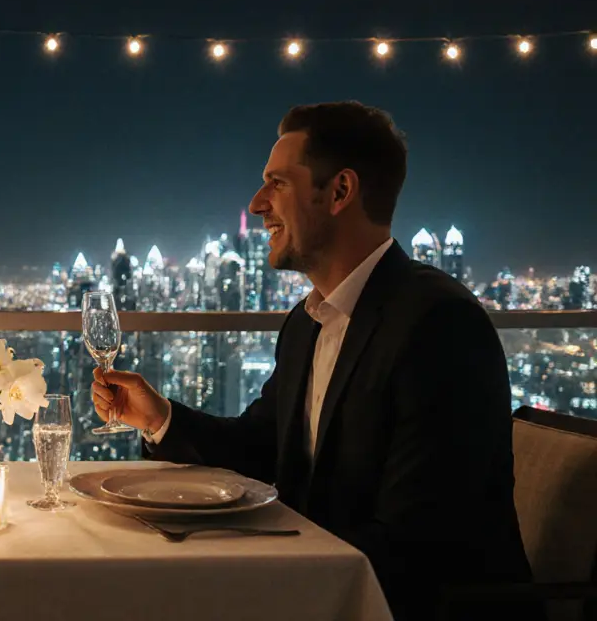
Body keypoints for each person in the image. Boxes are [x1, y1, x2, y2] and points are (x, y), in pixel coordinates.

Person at [92, 102, 532, 621]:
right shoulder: (307, 323)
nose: (257, 204)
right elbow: (262, 450)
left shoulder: (439, 326)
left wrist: (248, 560)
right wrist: (159, 418)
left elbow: (418, 544)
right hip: (319, 585)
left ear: (341, 191)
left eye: (277, 183)